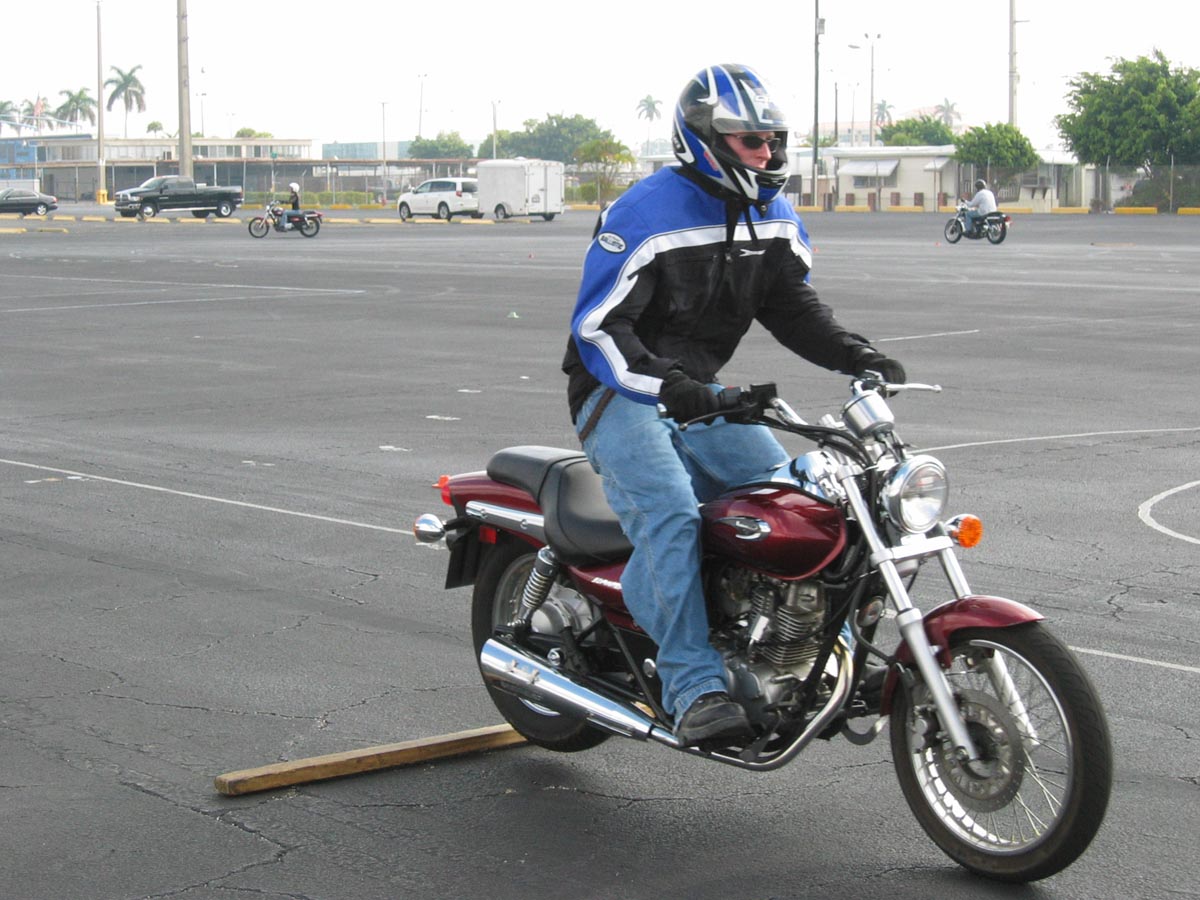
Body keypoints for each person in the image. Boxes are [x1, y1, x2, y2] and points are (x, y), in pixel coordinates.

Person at [561, 63, 906, 747]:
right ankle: (693, 686)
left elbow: (792, 308)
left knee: (794, 500)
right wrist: (670, 387)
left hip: (701, 391)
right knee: (670, 511)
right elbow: (599, 329)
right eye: (752, 141)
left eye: (773, 141)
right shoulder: (643, 213)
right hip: (617, 389)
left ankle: (801, 651)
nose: (768, 154)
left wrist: (855, 354)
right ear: (707, 140)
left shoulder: (772, 214)